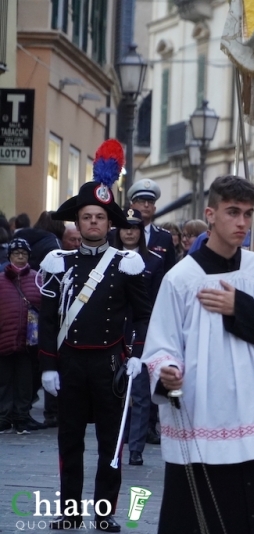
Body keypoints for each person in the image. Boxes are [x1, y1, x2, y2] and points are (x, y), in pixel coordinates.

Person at [141, 175, 254, 534]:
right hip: (202, 409)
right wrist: (167, 370)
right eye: (232, 212)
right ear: (210, 214)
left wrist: (239, 306)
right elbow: (161, 344)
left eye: (247, 213)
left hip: (252, 407)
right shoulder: (181, 278)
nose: (242, 222)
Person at [38, 140, 151, 532]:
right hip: (70, 364)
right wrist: (47, 367)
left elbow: (141, 313)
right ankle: (69, 513)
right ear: (77, 221)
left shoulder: (126, 264)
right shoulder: (58, 263)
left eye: (100, 218)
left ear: (109, 223)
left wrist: (136, 353)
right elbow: (48, 320)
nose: (93, 223)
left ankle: (104, 514)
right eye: (86, 217)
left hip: (110, 365)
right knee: (69, 443)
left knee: (110, 444)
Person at [113, 209, 165, 467]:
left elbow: (156, 301)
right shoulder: (109, 258)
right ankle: (115, 442)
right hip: (112, 330)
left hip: (143, 329)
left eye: (135, 227)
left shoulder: (154, 260)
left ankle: (136, 448)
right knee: (114, 391)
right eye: (125, 227)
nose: (130, 232)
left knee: (142, 393)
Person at [0, 238, 43, 434]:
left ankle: (22, 415)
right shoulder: (1, 280)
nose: (20, 256)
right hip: (4, 337)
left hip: (28, 340)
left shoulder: (37, 278)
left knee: (26, 380)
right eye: (16, 253)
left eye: (23, 253)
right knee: (4, 380)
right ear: (9, 256)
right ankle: (3, 416)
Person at [128, 179, 177, 271]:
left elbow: (169, 270)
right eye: (141, 201)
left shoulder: (164, 237)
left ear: (154, 208)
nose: (146, 205)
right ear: (132, 207)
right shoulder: (118, 233)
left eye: (150, 202)